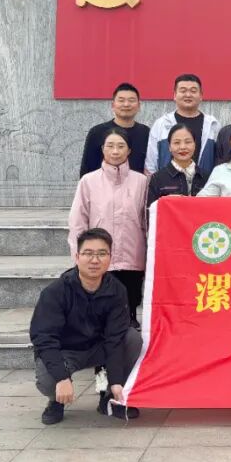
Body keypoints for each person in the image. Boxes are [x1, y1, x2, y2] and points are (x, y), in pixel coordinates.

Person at [30, 228, 141, 424]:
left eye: (102, 254)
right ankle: (56, 401)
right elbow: (44, 338)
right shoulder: (56, 292)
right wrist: (61, 377)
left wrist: (116, 381)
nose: (95, 260)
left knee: (132, 338)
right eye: (88, 253)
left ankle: (109, 398)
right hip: (66, 351)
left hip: (99, 348)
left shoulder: (117, 290)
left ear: (110, 257)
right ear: (77, 256)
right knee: (49, 380)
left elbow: (115, 338)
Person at [68, 128, 148, 326]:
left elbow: (146, 220)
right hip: (99, 252)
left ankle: (130, 322)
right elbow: (78, 219)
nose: (115, 151)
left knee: (130, 296)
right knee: (100, 297)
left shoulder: (141, 181)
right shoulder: (88, 181)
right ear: (103, 149)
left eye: (121, 146)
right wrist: (78, 252)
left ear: (129, 150)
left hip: (132, 251)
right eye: (110, 146)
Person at [145, 73, 220, 177]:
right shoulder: (161, 124)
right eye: (183, 91)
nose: (188, 95)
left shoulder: (213, 125)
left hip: (205, 185)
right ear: (175, 95)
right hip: (167, 185)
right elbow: (151, 162)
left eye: (193, 91)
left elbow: (219, 161)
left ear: (201, 96)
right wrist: (155, 183)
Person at [79, 83, 150, 177]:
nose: (126, 104)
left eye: (131, 100)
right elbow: (87, 168)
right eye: (121, 100)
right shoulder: (97, 132)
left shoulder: (146, 132)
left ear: (139, 106)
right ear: (113, 105)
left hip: (137, 185)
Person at [147, 123, 207, 205]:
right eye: (177, 143)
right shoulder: (157, 179)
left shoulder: (206, 177)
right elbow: (151, 210)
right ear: (169, 147)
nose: (182, 147)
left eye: (188, 142)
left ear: (194, 145)